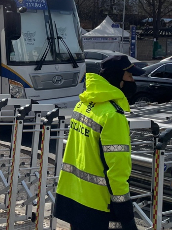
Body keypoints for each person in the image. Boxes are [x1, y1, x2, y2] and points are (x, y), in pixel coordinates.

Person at [54, 55, 143, 230]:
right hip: (97, 204)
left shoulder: (83, 104)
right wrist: (125, 213)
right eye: (130, 76)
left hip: (73, 194)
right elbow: (117, 169)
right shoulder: (112, 115)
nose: (134, 80)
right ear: (119, 79)